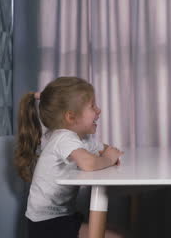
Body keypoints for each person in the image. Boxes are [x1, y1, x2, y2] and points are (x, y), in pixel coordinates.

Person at [15, 76, 123, 238]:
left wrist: (108, 153)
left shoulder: (81, 138)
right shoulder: (63, 138)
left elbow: (103, 149)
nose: (99, 110)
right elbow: (89, 164)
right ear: (71, 117)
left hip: (62, 216)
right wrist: (108, 159)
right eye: (92, 106)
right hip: (47, 224)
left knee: (120, 232)